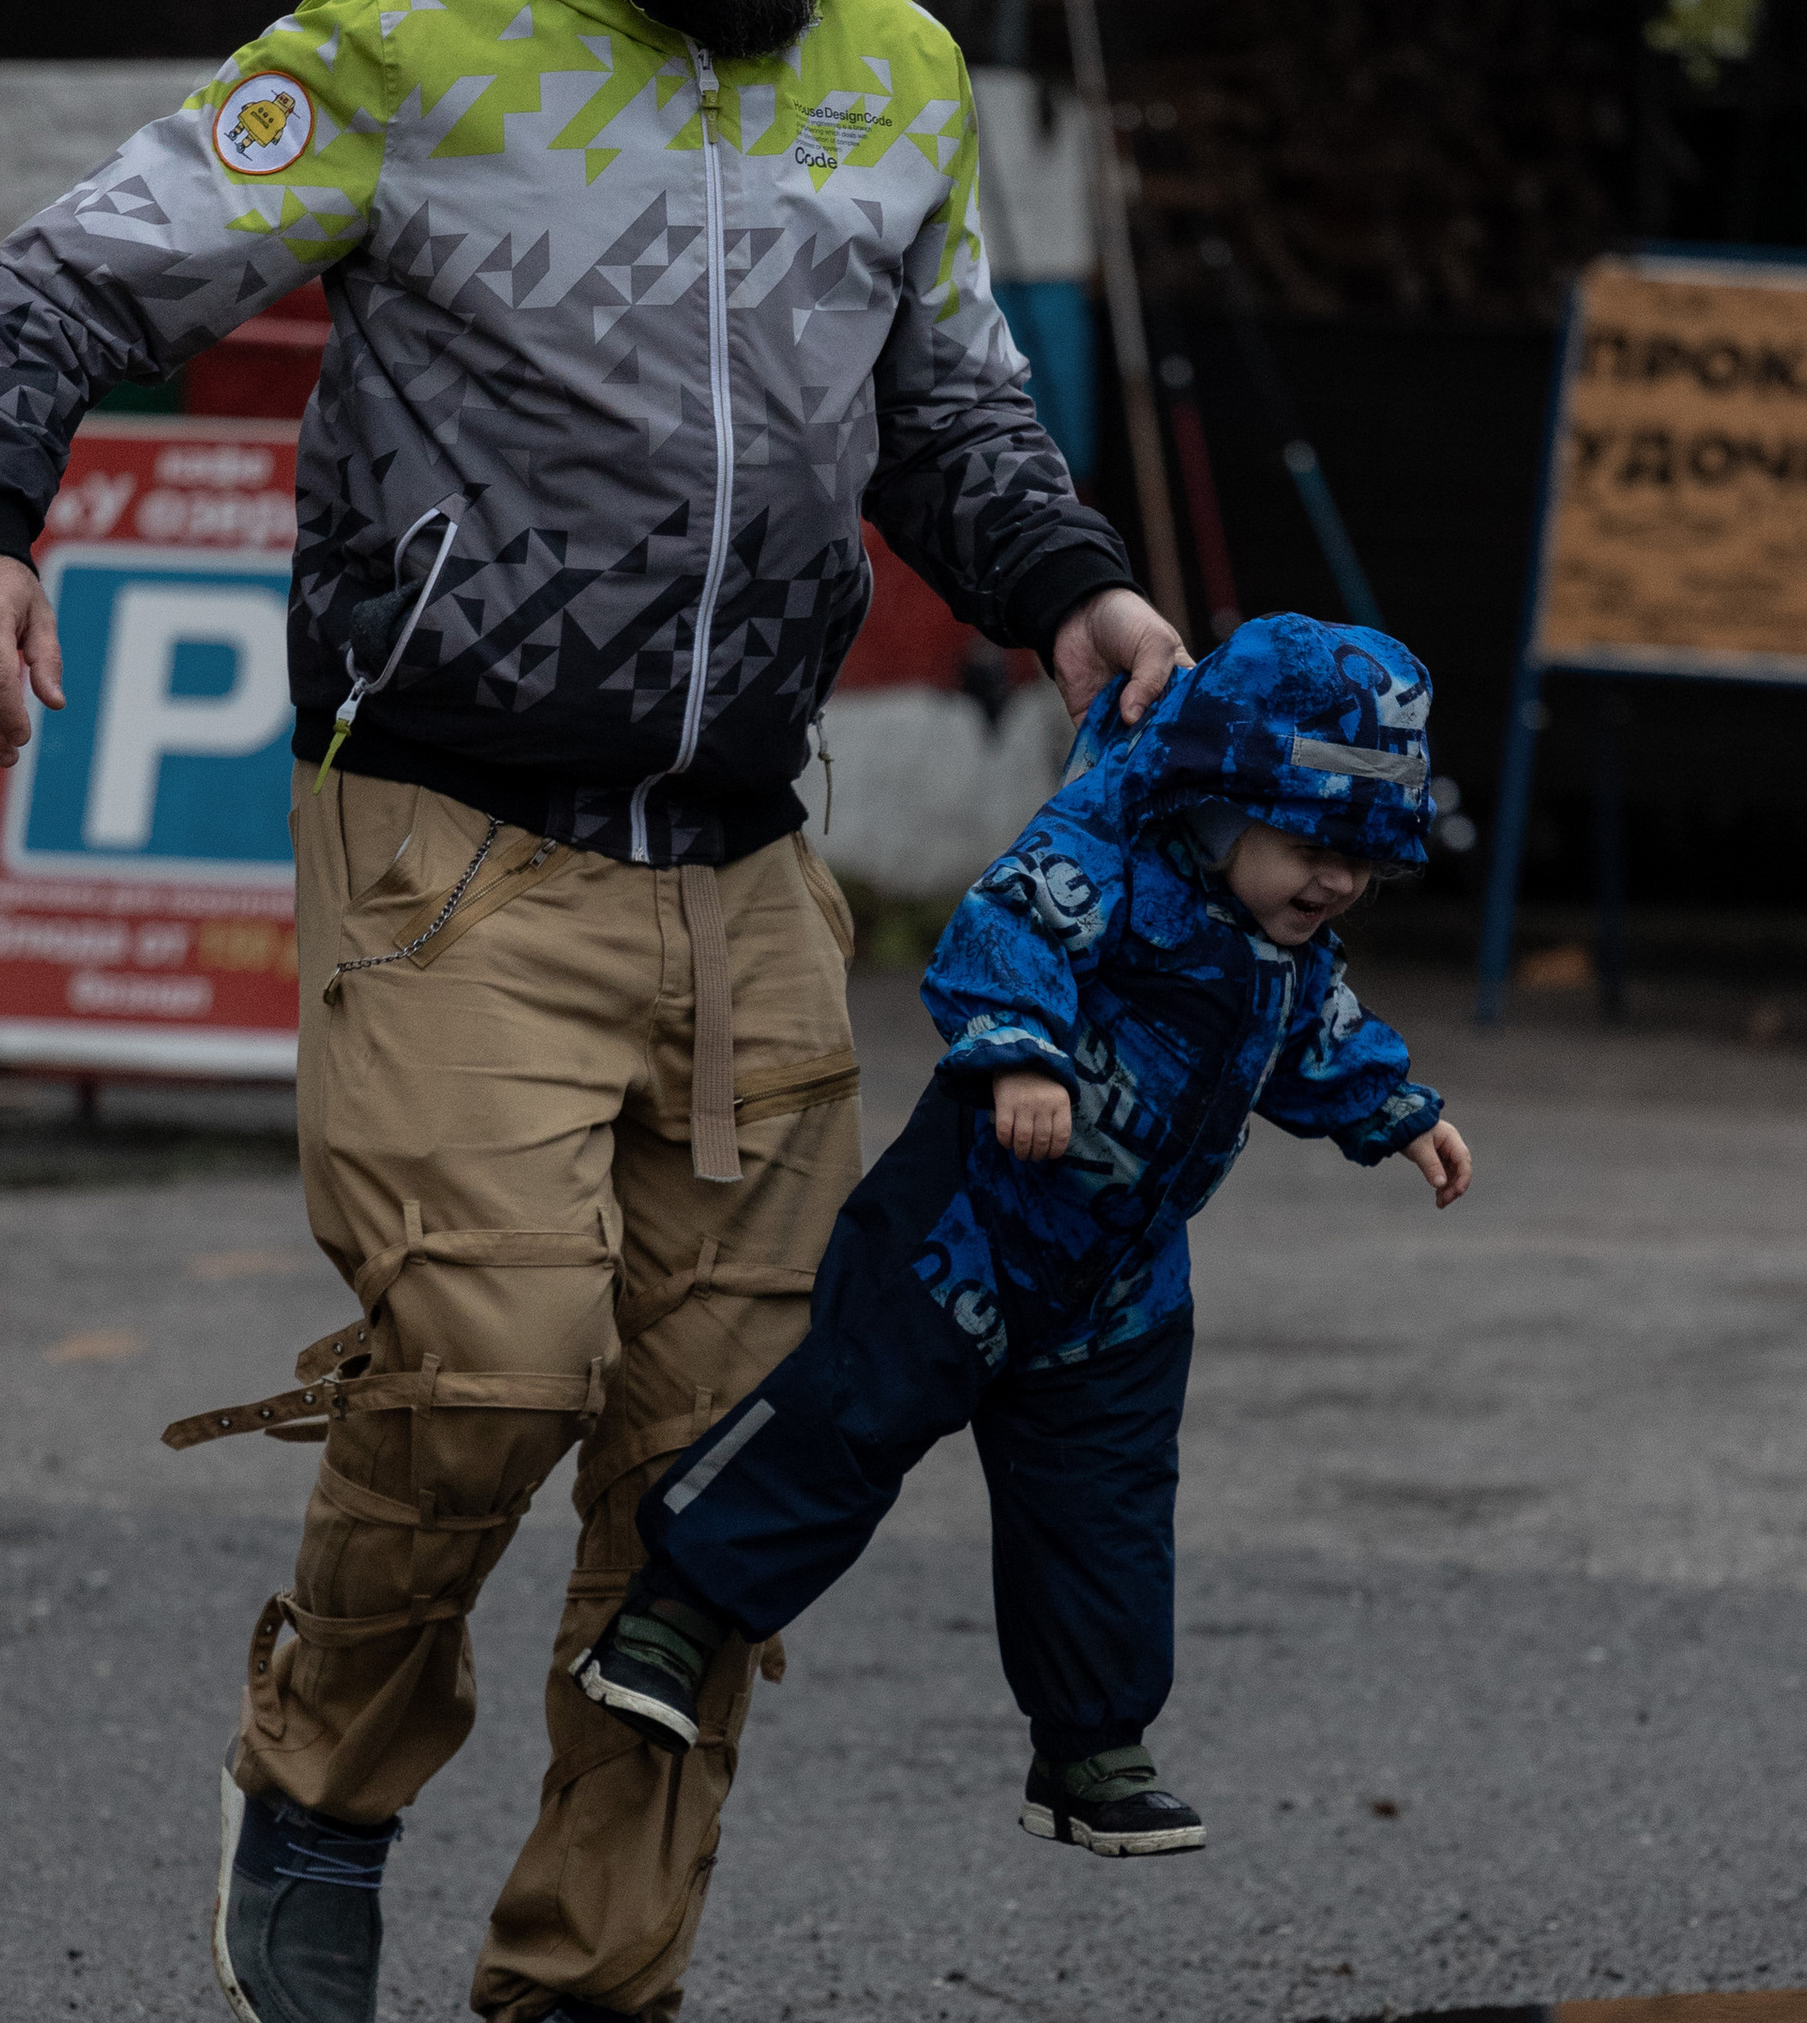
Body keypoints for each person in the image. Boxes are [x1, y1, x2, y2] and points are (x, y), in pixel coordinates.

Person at [0, 0, 1185, 2023]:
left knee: (720, 1491)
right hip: (450, 838)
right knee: (490, 1356)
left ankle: (581, 2017)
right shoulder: (407, 45)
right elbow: (59, 282)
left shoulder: (892, 79)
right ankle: (323, 1771)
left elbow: (944, 406)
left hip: (749, 872)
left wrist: (1077, 591)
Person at [567, 615, 1471, 1866]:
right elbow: (1004, 933)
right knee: (851, 1414)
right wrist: (1016, 1056)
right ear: (1216, 802)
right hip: (973, 1230)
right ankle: (672, 1616)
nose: (1334, 884)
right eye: (1313, 846)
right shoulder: (1105, 855)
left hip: (1119, 1285)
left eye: (1362, 865)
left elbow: (1320, 1040)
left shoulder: (1287, 951)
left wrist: (1396, 1114)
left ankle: (1090, 1748)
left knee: (1104, 1509)